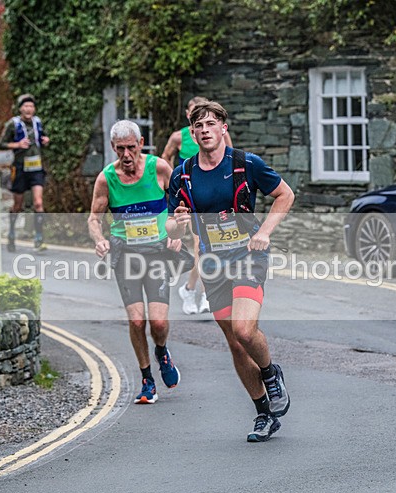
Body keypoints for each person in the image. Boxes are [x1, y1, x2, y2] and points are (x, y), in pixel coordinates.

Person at [168, 101, 295, 442]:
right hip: (212, 264)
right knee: (236, 345)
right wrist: (177, 226)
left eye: (211, 123)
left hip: (248, 256)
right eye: (199, 126)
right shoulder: (183, 174)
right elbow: (171, 225)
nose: (205, 130)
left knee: (243, 329)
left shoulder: (245, 164)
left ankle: (270, 373)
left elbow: (285, 195)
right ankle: (263, 415)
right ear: (192, 134)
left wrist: (265, 232)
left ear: (224, 127)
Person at [88, 120, 181, 404]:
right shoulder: (107, 178)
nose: (126, 155)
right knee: (137, 320)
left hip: (156, 254)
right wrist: (99, 239)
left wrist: (177, 232)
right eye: (120, 149)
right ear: (113, 148)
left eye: (131, 148)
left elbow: (180, 207)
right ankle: (147, 380)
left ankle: (162, 351)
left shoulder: (160, 169)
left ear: (141, 144)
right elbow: (94, 217)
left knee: (159, 323)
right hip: (124, 254)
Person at [162, 96, 233, 315]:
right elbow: (165, 159)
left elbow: (230, 159)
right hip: (189, 200)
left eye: (206, 117)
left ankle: (194, 290)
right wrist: (173, 187)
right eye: (196, 115)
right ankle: (199, 292)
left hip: (212, 198)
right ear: (188, 116)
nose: (202, 123)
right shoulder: (178, 137)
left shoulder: (220, 133)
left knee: (210, 248)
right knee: (200, 247)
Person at [0, 94, 50, 252]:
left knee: (38, 203)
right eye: (25, 106)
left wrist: (46, 140)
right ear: (20, 108)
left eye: (31, 106)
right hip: (20, 168)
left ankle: (39, 239)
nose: (28, 109)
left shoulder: (38, 122)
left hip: (36, 167)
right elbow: (0, 144)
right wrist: (17, 144)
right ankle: (12, 234)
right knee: (17, 205)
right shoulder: (13, 124)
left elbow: (43, 137)